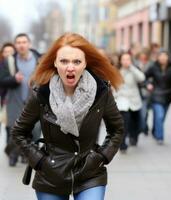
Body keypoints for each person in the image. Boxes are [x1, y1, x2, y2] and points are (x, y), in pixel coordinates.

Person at [11, 33, 124, 199]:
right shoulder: (41, 93)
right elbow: (19, 132)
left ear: (85, 63)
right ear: (55, 63)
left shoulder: (101, 92)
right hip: (51, 175)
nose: (70, 67)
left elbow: (117, 130)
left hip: (90, 173)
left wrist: (101, 157)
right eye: (64, 61)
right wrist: (40, 162)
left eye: (77, 62)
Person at [0, 34, 42, 166]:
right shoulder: (9, 61)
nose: (21, 45)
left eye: (24, 42)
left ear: (29, 44)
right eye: (18, 42)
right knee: (14, 130)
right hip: (15, 101)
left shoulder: (39, 60)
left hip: (34, 102)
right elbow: (2, 80)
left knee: (35, 130)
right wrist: (13, 79)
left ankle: (29, 155)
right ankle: (13, 154)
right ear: (15, 45)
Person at [145, 50, 171, 145]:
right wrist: (148, 84)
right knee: (159, 116)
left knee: (161, 117)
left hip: (168, 95)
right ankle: (160, 137)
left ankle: (155, 130)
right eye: (161, 56)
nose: (163, 58)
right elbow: (144, 76)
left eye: (165, 56)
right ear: (158, 57)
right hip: (156, 94)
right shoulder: (153, 67)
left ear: (168, 57)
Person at [115, 52, 145, 152]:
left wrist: (131, 67)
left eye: (128, 59)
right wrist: (115, 96)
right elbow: (113, 86)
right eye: (124, 59)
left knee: (136, 123)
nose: (126, 61)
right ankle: (122, 145)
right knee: (124, 123)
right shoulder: (117, 71)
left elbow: (142, 78)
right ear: (120, 60)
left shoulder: (134, 70)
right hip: (122, 100)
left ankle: (134, 137)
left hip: (134, 100)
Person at [0, 43, 15, 130]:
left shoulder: (17, 64)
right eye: (6, 51)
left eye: (10, 51)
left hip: (13, 100)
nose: (8, 54)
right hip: (3, 98)